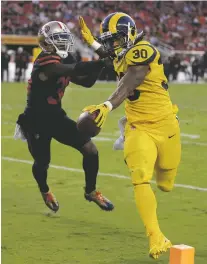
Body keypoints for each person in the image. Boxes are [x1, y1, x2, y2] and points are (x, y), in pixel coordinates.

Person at [79, 13, 181, 259]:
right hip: (138, 127)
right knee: (140, 179)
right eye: (109, 40)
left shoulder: (143, 50)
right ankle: (156, 236)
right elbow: (111, 55)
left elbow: (132, 79)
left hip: (166, 125)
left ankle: (152, 159)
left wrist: (107, 105)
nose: (112, 45)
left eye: (116, 39)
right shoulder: (121, 51)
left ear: (130, 34)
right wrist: (92, 43)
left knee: (166, 183)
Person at [14, 21, 114, 213]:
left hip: (56, 117)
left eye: (64, 39)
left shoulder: (64, 59)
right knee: (42, 163)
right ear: (48, 43)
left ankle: (91, 191)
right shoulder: (44, 62)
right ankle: (45, 190)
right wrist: (102, 61)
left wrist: (101, 63)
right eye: (59, 39)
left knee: (91, 150)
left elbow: (87, 83)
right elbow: (74, 70)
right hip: (36, 120)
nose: (64, 43)